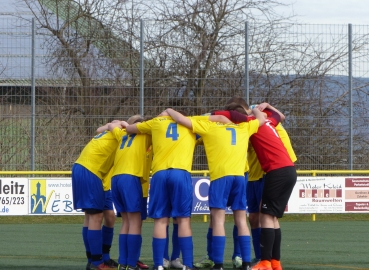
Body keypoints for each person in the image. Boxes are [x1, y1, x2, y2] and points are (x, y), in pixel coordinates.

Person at [165, 107, 265, 270]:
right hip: (239, 177)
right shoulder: (244, 127)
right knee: (241, 220)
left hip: (220, 177)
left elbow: (182, 119)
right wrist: (255, 109)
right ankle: (246, 263)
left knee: (218, 220)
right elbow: (261, 118)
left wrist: (169, 110)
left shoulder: (210, 127)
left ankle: (218, 264)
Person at [124, 110, 198, 270]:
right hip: (180, 172)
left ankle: (159, 264)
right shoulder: (192, 123)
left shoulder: (156, 123)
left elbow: (130, 128)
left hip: (159, 174)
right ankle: (188, 265)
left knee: (161, 220)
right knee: (183, 220)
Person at [72, 121, 124, 270]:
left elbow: (102, 127)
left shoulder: (111, 131)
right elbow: (111, 126)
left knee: (108, 216)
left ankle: (103, 258)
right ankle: (95, 262)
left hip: (96, 174)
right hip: (91, 170)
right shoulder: (121, 133)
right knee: (94, 216)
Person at [107, 115, 152, 270]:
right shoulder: (145, 134)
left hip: (116, 178)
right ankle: (131, 264)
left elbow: (111, 126)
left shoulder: (122, 135)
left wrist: (123, 124)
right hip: (130, 177)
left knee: (126, 221)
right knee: (135, 222)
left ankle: (123, 262)